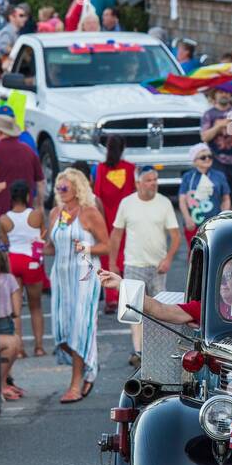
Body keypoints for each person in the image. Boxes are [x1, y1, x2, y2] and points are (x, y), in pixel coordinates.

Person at [45, 168, 108, 403]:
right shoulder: (55, 213)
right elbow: (52, 245)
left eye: (65, 187)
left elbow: (106, 245)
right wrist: (39, 246)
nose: (60, 191)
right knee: (61, 332)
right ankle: (90, 364)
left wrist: (87, 248)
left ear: (76, 188)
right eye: (58, 187)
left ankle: (75, 383)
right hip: (61, 276)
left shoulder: (89, 213)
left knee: (80, 327)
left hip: (84, 275)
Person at [111, 166, 181, 366]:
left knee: (160, 309)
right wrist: (112, 263)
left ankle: (160, 350)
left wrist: (168, 259)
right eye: (149, 180)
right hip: (133, 264)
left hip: (157, 266)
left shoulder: (164, 203)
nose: (153, 183)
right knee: (133, 309)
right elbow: (116, 235)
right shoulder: (127, 203)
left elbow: (175, 236)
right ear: (138, 183)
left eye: (155, 179)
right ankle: (138, 351)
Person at [0, 181, 47, 357]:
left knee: (16, 309)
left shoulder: (4, 219)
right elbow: (43, 235)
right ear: (28, 196)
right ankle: (39, 347)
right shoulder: (36, 215)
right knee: (36, 306)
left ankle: (19, 349)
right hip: (32, 261)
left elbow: (4, 243)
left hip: (13, 261)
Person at [92, 136, 137, 313]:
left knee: (107, 256)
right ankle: (123, 296)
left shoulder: (101, 169)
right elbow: (134, 193)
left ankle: (111, 297)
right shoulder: (130, 168)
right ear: (123, 148)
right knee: (124, 256)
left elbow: (97, 196)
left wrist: (100, 220)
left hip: (107, 219)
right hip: (126, 219)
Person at [201, 88, 232, 207]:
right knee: (218, 197)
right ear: (214, 95)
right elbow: (205, 137)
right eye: (221, 92)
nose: (224, 95)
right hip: (216, 161)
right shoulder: (209, 114)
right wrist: (219, 126)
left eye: (226, 92)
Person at [178, 143, 231, 243]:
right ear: (194, 161)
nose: (207, 159)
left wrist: (223, 217)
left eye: (209, 156)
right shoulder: (187, 176)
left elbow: (226, 198)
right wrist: (187, 218)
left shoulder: (219, 175)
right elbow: (182, 200)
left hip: (214, 224)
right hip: (193, 223)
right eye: (203, 157)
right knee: (194, 254)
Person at [0, 249, 24, 401]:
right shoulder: (9, 278)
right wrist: (14, 312)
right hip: (5, 320)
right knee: (8, 354)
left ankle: (4, 383)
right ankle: (4, 383)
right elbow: (17, 308)